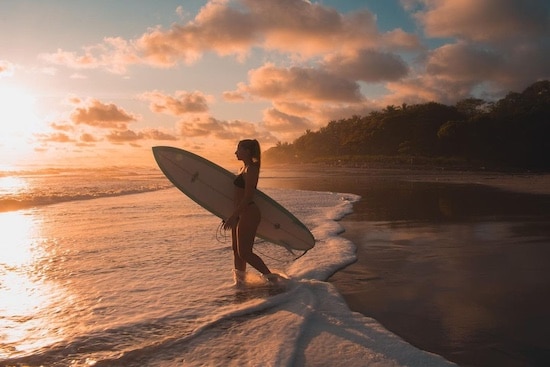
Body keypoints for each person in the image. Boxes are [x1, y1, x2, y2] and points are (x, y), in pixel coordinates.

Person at [222, 139, 278, 285]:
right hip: (239, 213)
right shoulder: (243, 168)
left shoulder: (251, 169)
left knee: (245, 252)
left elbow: (248, 197)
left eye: (238, 149)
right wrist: (231, 215)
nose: (235, 152)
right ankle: (240, 283)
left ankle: (272, 280)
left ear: (247, 151)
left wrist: (233, 216)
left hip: (248, 212)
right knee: (236, 251)